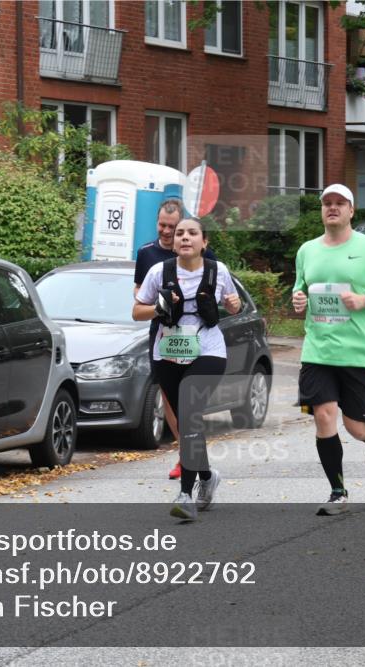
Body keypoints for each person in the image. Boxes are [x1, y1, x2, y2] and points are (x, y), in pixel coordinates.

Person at [292, 184, 365, 516]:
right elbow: (301, 290)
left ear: (351, 210)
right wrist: (298, 299)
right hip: (318, 349)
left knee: (355, 426)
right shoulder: (307, 251)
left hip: (358, 350)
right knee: (324, 416)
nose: (332, 207)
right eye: (327, 203)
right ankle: (338, 492)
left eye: (340, 203)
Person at [134, 217, 240, 520]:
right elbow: (137, 311)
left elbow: (234, 306)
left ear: (204, 242)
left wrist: (233, 304)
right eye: (180, 233)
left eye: (192, 233)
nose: (184, 237)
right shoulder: (159, 272)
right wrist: (159, 307)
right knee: (186, 423)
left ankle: (185, 495)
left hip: (208, 350)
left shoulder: (218, 271)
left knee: (190, 413)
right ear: (174, 243)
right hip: (167, 352)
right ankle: (206, 476)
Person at [134, 198, 217, 480]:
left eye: (173, 227)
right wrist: (161, 302)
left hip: (197, 334)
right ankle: (185, 454)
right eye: (163, 226)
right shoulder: (146, 253)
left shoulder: (202, 252)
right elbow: (138, 294)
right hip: (164, 332)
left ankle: (191, 453)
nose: (167, 232)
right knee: (170, 398)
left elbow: (215, 289)